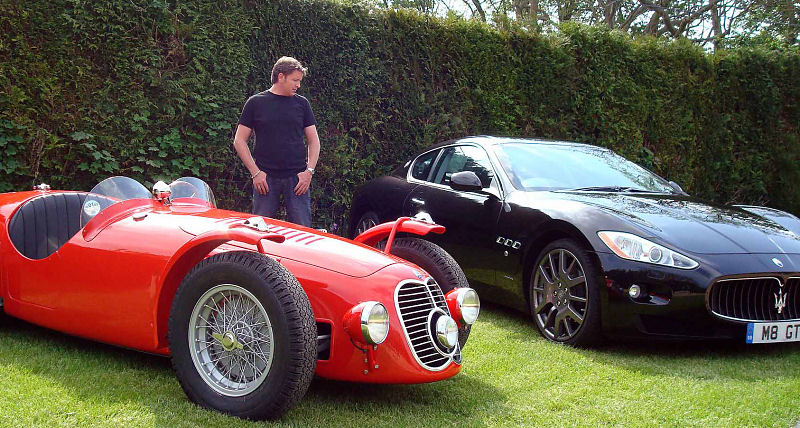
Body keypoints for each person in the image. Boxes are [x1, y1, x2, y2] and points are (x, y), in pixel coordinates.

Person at [232, 56, 320, 227]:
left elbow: (314, 140)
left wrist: (309, 172)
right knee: (259, 231)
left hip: (297, 180)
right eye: (295, 80)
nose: (298, 85)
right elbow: (239, 140)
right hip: (265, 179)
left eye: (299, 81)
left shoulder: (302, 104)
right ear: (281, 76)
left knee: (302, 232)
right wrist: (255, 173)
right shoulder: (256, 103)